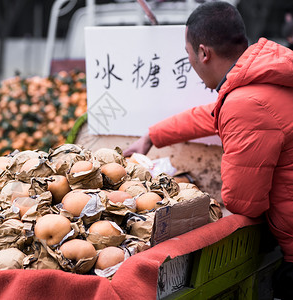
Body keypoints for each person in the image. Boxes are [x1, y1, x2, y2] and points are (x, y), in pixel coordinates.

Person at [123, 1, 293, 299]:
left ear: (204, 53)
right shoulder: (265, 77)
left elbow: (245, 203)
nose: (193, 66)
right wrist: (152, 135)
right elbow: (213, 114)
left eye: (188, 57)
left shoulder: (246, 103)